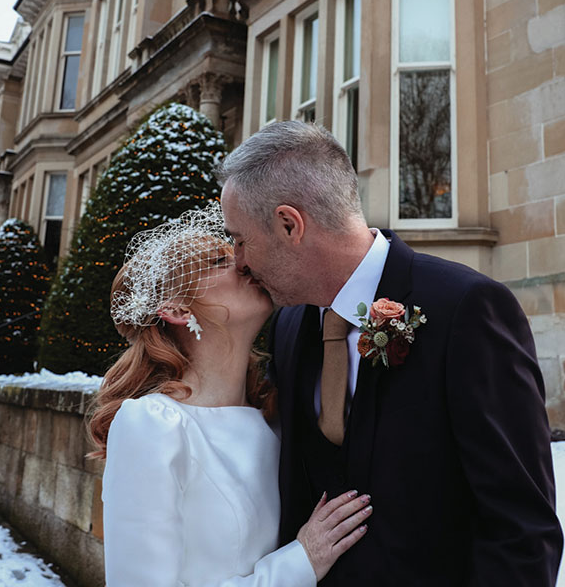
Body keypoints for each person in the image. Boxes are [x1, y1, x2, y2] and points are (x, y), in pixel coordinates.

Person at [217, 121, 563, 585]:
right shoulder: (288, 326)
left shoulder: (465, 308)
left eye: (240, 240)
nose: (239, 262)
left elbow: (522, 525)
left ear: (288, 225)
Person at [87, 205, 372, 586]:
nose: (242, 262)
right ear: (175, 308)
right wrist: (303, 560)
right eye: (218, 261)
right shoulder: (151, 425)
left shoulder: (277, 415)